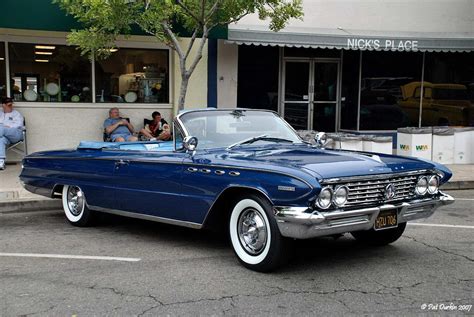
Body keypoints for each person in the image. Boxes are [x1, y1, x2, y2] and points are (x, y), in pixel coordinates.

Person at [0, 98, 24, 170]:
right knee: (1, 140)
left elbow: (19, 124)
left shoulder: (16, 113)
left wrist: (8, 127)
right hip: (4, 136)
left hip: (16, 134)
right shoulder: (0, 114)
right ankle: (1, 161)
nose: (11, 107)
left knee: (2, 129)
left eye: (11, 105)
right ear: (3, 105)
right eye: (9, 105)